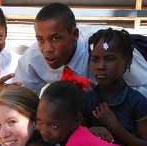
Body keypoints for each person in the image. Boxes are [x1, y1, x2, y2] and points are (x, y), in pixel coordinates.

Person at [13, 3, 147, 97]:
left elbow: (143, 86)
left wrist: (112, 106)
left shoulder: (107, 46)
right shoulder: (32, 58)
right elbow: (21, 103)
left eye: (55, 38)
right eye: (40, 39)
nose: (47, 49)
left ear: (74, 35)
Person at [83, 28, 147, 146]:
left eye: (109, 59)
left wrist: (115, 127)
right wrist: (89, 131)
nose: (101, 66)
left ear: (127, 62)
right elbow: (74, 139)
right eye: (95, 59)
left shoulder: (137, 102)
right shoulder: (86, 100)